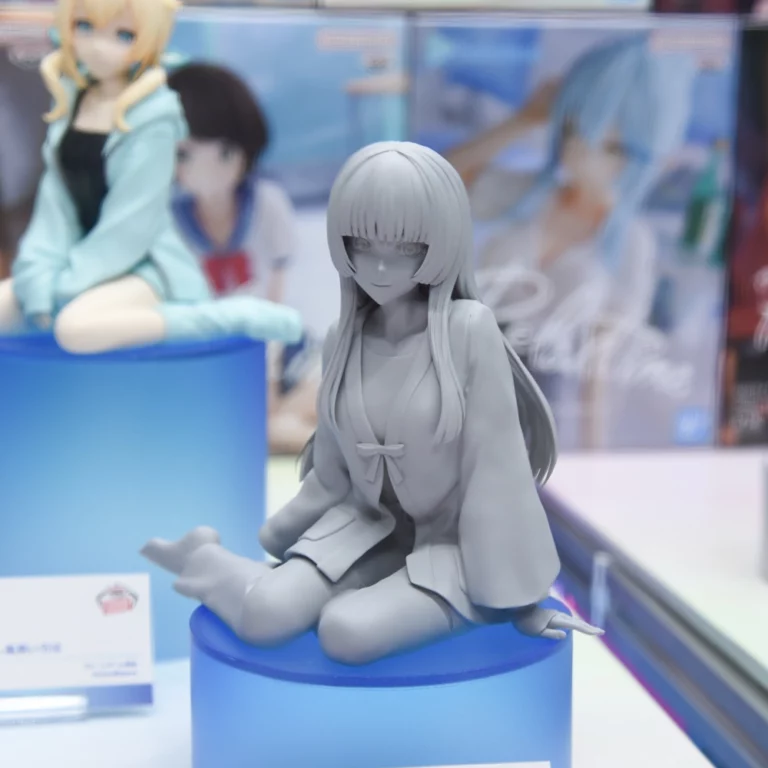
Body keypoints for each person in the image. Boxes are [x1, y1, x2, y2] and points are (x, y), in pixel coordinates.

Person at [141, 141, 602, 666]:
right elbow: (333, 472)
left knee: (346, 631)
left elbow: (495, 466)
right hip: (365, 527)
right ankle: (204, 559)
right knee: (265, 614)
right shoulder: (344, 336)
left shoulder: (467, 330)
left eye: (405, 247)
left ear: (440, 241)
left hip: (449, 549)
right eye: (362, 243)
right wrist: (285, 537)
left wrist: (519, 599)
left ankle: (312, 589)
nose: (380, 264)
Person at [0, 0, 301, 354]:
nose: (99, 47)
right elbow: (55, 205)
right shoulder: (70, 103)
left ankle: (225, 316)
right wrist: (39, 272)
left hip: (145, 268)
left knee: (76, 330)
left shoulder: (157, 116)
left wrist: (66, 284)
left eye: (124, 35)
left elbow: (131, 227)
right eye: (84, 27)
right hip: (76, 265)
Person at [447, 35, 695, 447]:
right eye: (572, 128)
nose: (580, 150)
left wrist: (594, 457)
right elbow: (431, 183)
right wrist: (522, 121)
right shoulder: (530, 195)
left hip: (541, 405)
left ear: (645, 156)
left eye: (610, 146)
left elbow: (600, 368)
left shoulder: (631, 242)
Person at [168, 62, 320, 454]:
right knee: (244, 431)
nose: (207, 169)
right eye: (183, 154)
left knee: (332, 392)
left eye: (224, 153)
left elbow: (277, 304)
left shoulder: (267, 204)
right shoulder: (169, 223)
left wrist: (266, 381)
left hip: (283, 352)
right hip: (215, 364)